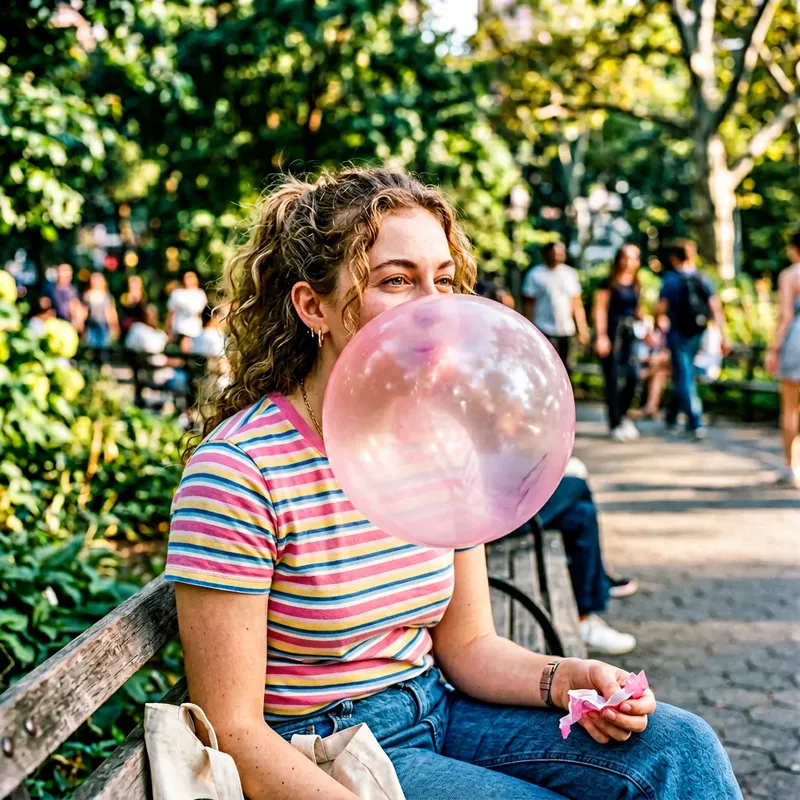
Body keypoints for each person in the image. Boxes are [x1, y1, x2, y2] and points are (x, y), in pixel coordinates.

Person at [165, 168, 741, 800]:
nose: (432, 306)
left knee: (679, 749)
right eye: (395, 281)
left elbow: (467, 645)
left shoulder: (439, 443)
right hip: (326, 752)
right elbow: (232, 728)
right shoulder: (241, 470)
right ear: (312, 307)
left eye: (441, 280)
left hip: (441, 710)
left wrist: (570, 677)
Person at [536, 460, 638, 654]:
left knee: (582, 514)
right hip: (495, 518)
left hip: (498, 500)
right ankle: (588, 608)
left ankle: (587, 610)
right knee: (577, 480)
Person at [657, 241, 729, 439]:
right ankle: (671, 415)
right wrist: (724, 334)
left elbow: (660, 308)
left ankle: (695, 421)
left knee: (684, 375)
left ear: (674, 258)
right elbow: (715, 307)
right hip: (697, 332)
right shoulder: (703, 278)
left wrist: (658, 326)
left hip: (678, 334)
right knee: (684, 373)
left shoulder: (671, 280)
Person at [593, 244, 642, 442]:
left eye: (634, 258)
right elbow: (600, 309)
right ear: (619, 260)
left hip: (630, 334)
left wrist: (648, 329)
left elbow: (638, 309)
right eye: (626, 257)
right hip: (613, 334)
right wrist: (601, 336)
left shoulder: (636, 283)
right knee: (612, 378)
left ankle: (622, 416)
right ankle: (615, 422)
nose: (629, 262)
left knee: (634, 376)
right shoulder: (607, 283)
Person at [522, 242, 589, 372]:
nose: (557, 256)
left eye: (560, 253)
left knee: (567, 367)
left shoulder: (570, 274)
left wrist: (582, 329)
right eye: (554, 253)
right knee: (546, 367)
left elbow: (577, 303)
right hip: (543, 328)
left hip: (566, 329)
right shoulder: (535, 274)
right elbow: (529, 304)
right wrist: (528, 329)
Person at [766, 232, 800, 488]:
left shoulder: (790, 275)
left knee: (790, 407)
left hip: (796, 341)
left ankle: (791, 467)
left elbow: (786, 315)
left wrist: (773, 349)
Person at [82, 271, 119, 349]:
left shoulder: (106, 296)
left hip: (103, 325)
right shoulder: (87, 295)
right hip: (91, 325)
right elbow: (83, 311)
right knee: (90, 346)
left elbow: (110, 312)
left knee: (103, 347)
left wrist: (114, 326)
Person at [166, 270, 207, 340]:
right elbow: (171, 312)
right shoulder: (177, 293)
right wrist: (168, 329)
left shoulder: (200, 294)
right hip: (178, 330)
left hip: (194, 331)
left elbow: (200, 313)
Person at [44, 263, 84, 330]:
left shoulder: (73, 290)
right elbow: (44, 304)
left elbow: (77, 307)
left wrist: (78, 319)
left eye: (67, 272)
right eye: (62, 271)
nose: (64, 275)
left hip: (69, 323)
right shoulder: (49, 288)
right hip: (54, 322)